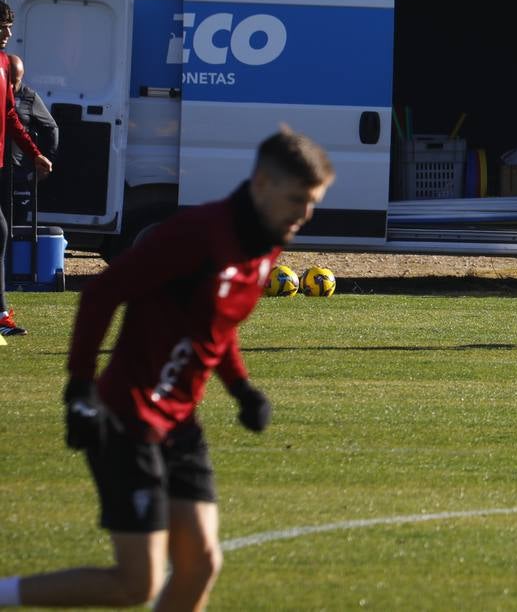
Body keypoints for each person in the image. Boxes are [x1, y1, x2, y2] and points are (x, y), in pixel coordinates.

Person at [0, 129, 333, 609]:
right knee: (136, 584)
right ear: (262, 184)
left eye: (314, 202)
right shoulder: (198, 234)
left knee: (201, 564)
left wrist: (241, 389)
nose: (305, 214)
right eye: (298, 199)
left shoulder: (266, 248)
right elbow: (101, 295)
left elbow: (216, 327)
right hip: (127, 417)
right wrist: (79, 388)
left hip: (179, 425)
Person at [0, 0, 55, 338]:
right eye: (2, 26)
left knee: (1, 232)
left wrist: (35, 154)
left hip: (0, 165)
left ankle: (1, 315)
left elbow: (10, 115)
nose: (8, 32)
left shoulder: (5, 64)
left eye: (9, 26)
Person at [4, 53, 59, 241]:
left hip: (18, 173)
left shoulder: (29, 97)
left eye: (16, 82)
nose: (12, 88)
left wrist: (45, 158)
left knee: (14, 226)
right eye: (8, 81)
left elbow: (51, 128)